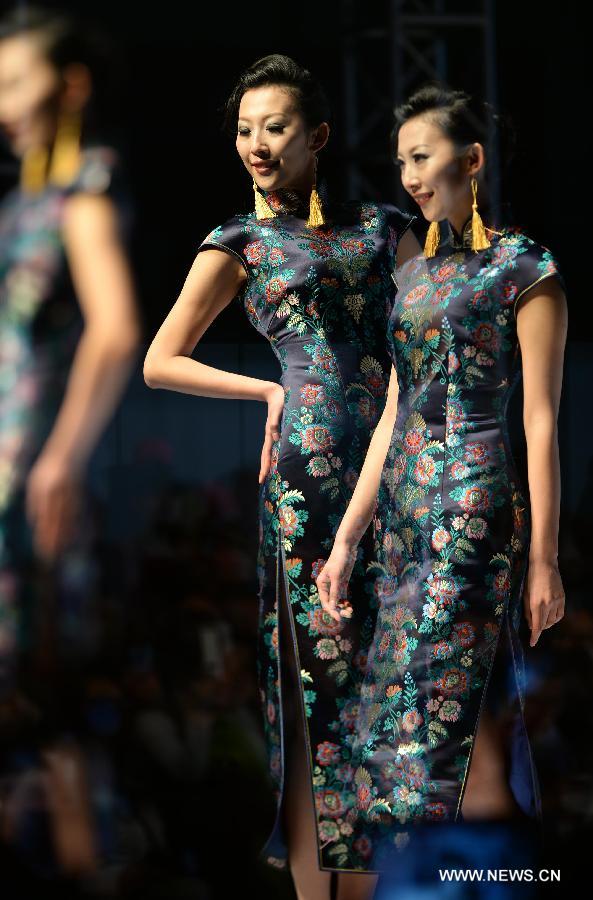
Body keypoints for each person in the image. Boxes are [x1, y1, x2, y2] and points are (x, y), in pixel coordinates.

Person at [144, 53, 422, 900]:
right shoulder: (238, 241)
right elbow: (160, 361)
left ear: (318, 137)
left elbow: (428, 349)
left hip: (398, 471)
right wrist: (268, 386)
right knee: (320, 692)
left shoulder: (383, 230)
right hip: (303, 476)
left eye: (274, 128)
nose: (255, 145)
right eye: (243, 130)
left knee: (393, 697)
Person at [316, 84, 567, 872]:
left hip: (472, 500)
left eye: (421, 157)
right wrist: (347, 538)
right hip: (400, 505)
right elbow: (392, 409)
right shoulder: (413, 276)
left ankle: (453, 872)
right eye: (400, 163)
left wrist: (543, 560)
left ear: (472, 159)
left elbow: (540, 419)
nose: (410, 176)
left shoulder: (525, 266)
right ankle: (417, 871)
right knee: (392, 689)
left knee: (436, 686)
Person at [0, 6, 140, 876]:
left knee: (43, 710)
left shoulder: (81, 188)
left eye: (16, 82)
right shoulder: (18, 204)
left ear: (71, 86)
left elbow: (117, 328)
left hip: (32, 489)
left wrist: (60, 458)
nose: (2, 102)